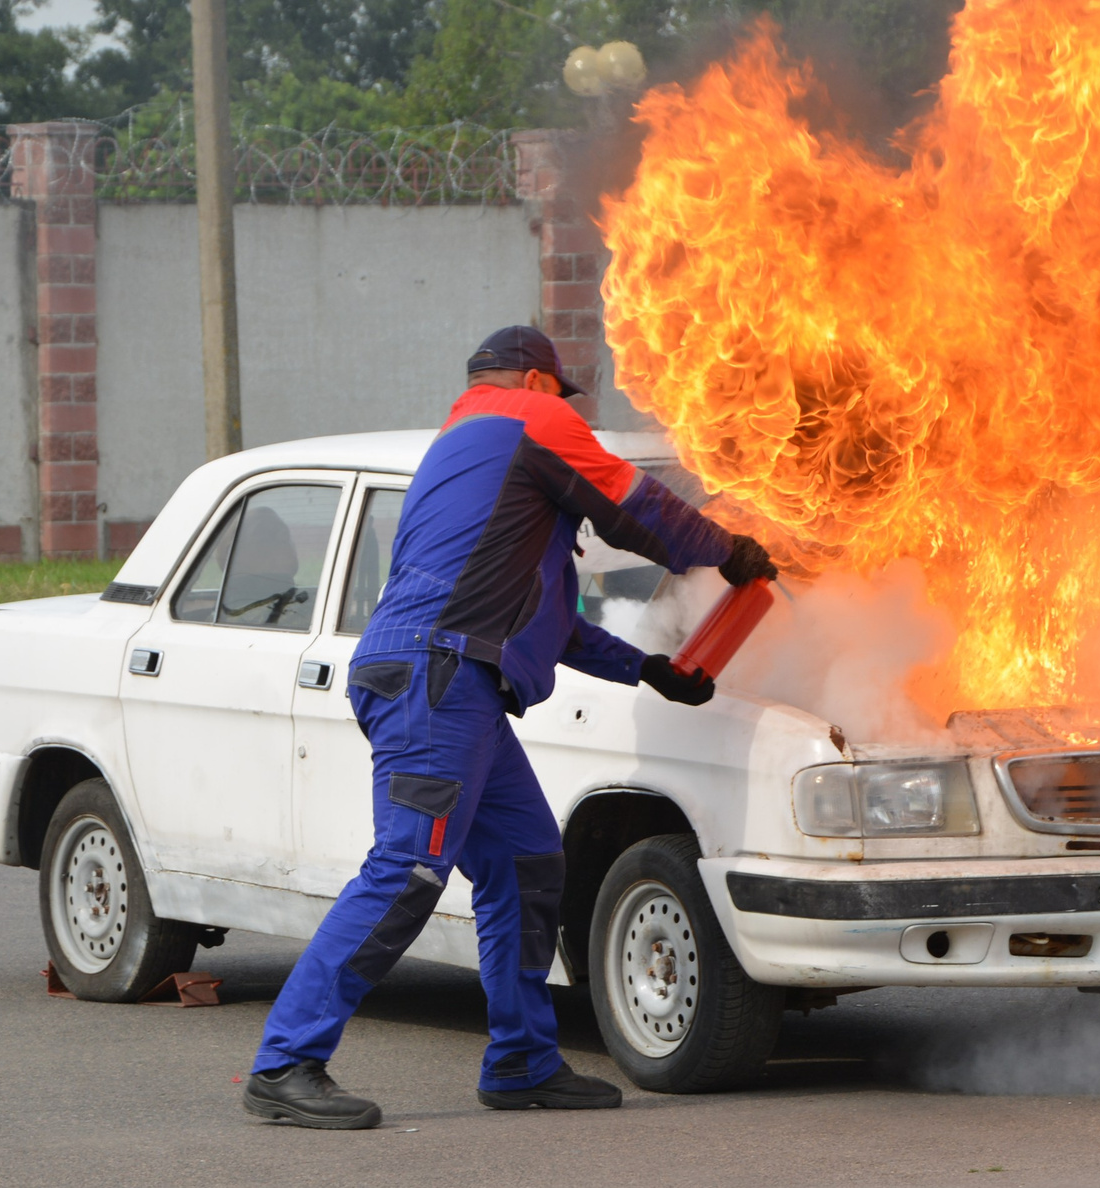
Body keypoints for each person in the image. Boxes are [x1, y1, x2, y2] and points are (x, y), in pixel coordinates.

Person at [242, 325, 778, 1128]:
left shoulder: (479, 465)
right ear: (536, 380)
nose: (575, 421)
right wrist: (723, 549)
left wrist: (649, 671)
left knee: (528, 866)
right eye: (564, 398)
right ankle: (285, 1063)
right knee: (405, 872)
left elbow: (554, 625)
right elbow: (635, 505)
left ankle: (523, 1062)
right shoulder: (525, 420)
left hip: (458, 686)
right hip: (439, 680)